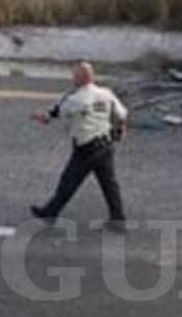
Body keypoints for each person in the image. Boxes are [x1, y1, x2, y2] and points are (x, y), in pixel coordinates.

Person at [31, 62, 128, 229]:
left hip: (86, 148)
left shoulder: (75, 99)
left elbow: (54, 114)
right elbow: (121, 114)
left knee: (68, 181)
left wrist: (39, 117)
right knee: (109, 184)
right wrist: (119, 130)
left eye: (74, 75)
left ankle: (50, 212)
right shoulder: (106, 94)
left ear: (78, 78)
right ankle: (118, 219)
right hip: (106, 145)